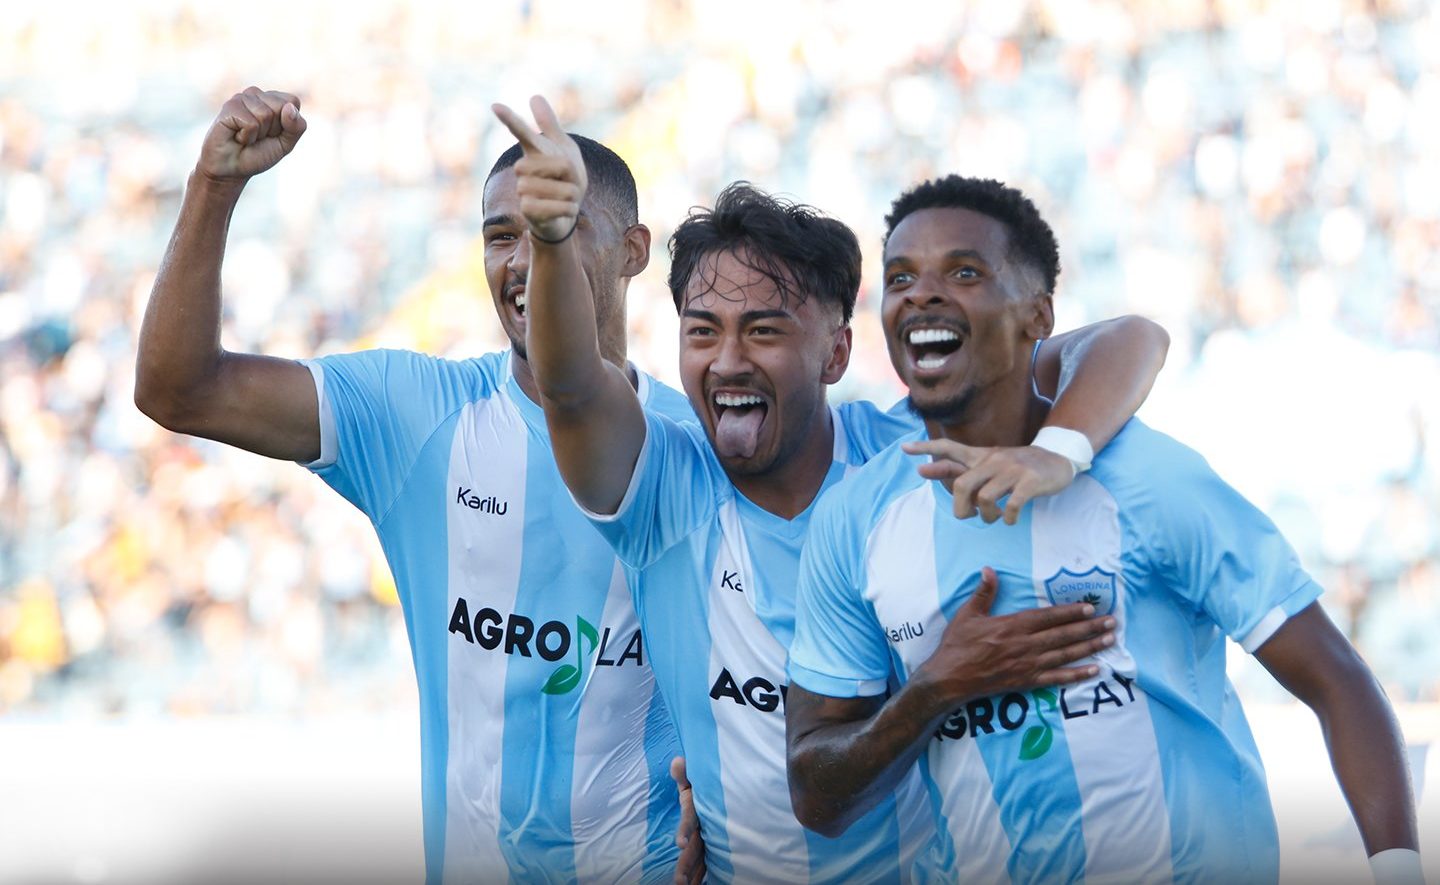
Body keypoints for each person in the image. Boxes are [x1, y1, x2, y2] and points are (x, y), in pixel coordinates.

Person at [492, 96, 1167, 883]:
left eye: (766, 329)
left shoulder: (911, 456)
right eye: (702, 330)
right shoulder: (662, 489)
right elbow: (569, 383)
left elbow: (1131, 338)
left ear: (837, 351)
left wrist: (1057, 451)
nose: (729, 359)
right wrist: (551, 240)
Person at [784, 175, 1425, 884]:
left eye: (963, 271)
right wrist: (936, 688)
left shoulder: (1147, 479)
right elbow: (818, 795)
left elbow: (1336, 679)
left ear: (1038, 314)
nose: (921, 293)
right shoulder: (856, 521)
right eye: (901, 277)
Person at [134, 86, 696, 884]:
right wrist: (213, 188)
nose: (525, 257)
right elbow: (176, 387)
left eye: (555, 225)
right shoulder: (414, 415)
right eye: (503, 235)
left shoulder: (701, 449)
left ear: (636, 250)